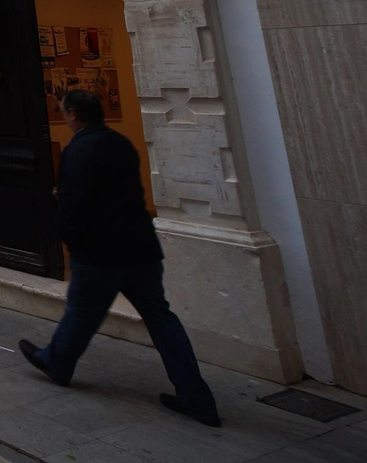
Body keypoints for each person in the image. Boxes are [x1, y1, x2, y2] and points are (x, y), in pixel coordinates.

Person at [19, 89, 221, 427]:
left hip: (101, 252)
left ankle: (56, 362)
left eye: (65, 113)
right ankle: (197, 397)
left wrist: (62, 236)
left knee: (82, 311)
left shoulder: (78, 150)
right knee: (161, 319)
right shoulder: (122, 144)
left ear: (72, 115)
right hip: (140, 247)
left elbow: (76, 205)